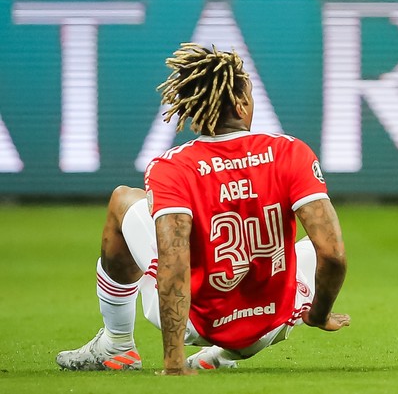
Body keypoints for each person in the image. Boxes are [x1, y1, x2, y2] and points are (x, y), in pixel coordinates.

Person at [56, 43, 349, 375]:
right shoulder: (290, 152)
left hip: (196, 323)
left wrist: (173, 363)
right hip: (268, 326)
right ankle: (225, 355)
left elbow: (173, 263)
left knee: (123, 199)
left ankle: (118, 344)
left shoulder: (173, 167)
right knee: (313, 248)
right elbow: (334, 254)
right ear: (240, 104)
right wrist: (319, 314)